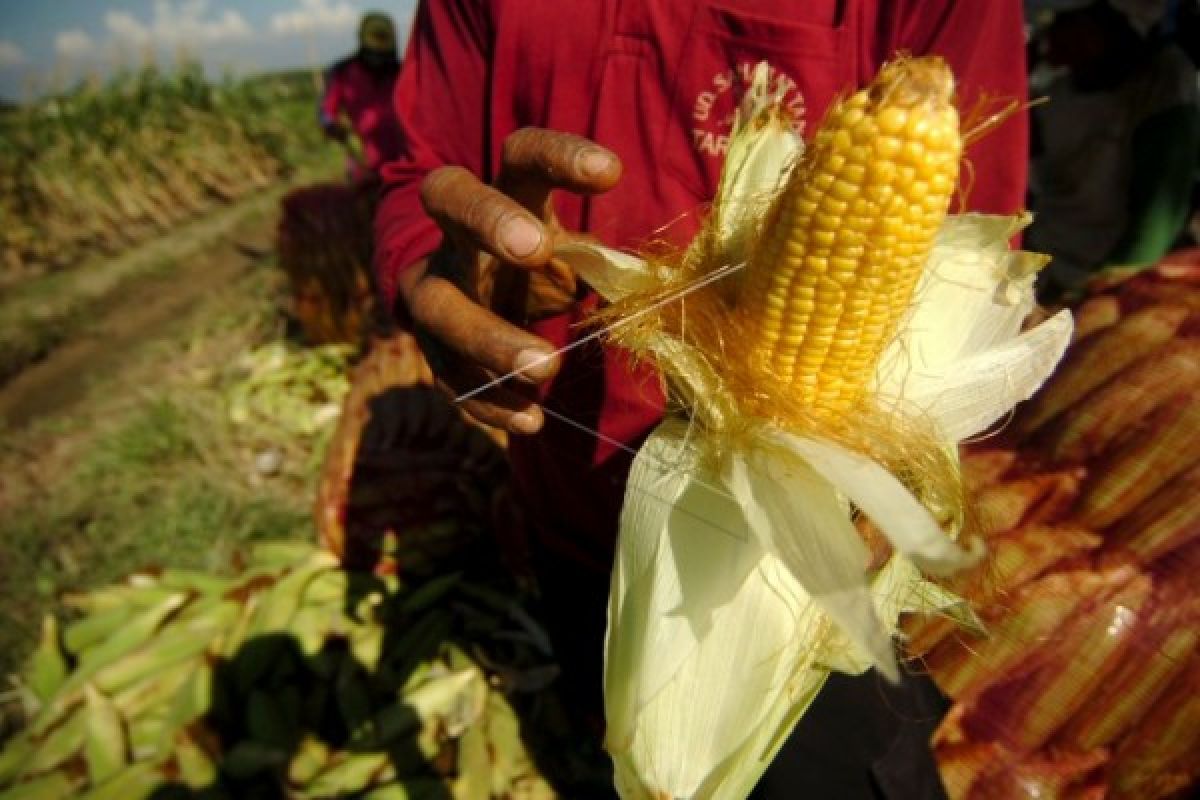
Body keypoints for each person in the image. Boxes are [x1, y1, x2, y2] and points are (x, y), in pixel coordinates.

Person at [375, 3, 1030, 797]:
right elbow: (418, 175)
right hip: (566, 510)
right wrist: (425, 270)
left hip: (793, 562)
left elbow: (967, 266)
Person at [1025, 0, 1200, 299]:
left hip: (1103, 279)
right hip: (1046, 262)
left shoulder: (1162, 85)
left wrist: (1106, 285)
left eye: (1066, 22)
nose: (1051, 33)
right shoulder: (1055, 91)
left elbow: (1156, 219)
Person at [319, 11, 404, 178]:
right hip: (363, 165)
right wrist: (333, 127)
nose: (378, 60)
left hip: (402, 161)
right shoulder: (343, 72)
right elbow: (326, 112)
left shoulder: (403, 73)